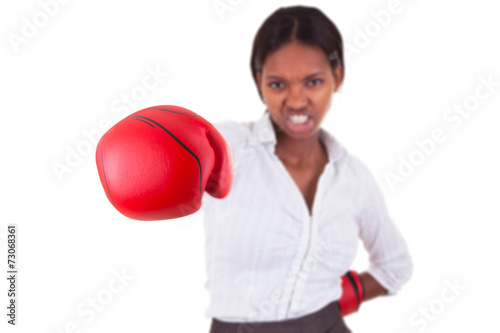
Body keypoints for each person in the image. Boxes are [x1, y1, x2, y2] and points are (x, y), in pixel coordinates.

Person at [201, 5, 413, 333]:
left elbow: (395, 266)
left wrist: (325, 304)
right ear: (259, 82)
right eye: (277, 85)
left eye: (313, 82)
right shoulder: (227, 147)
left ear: (337, 77)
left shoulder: (353, 177)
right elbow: (174, 155)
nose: (297, 101)